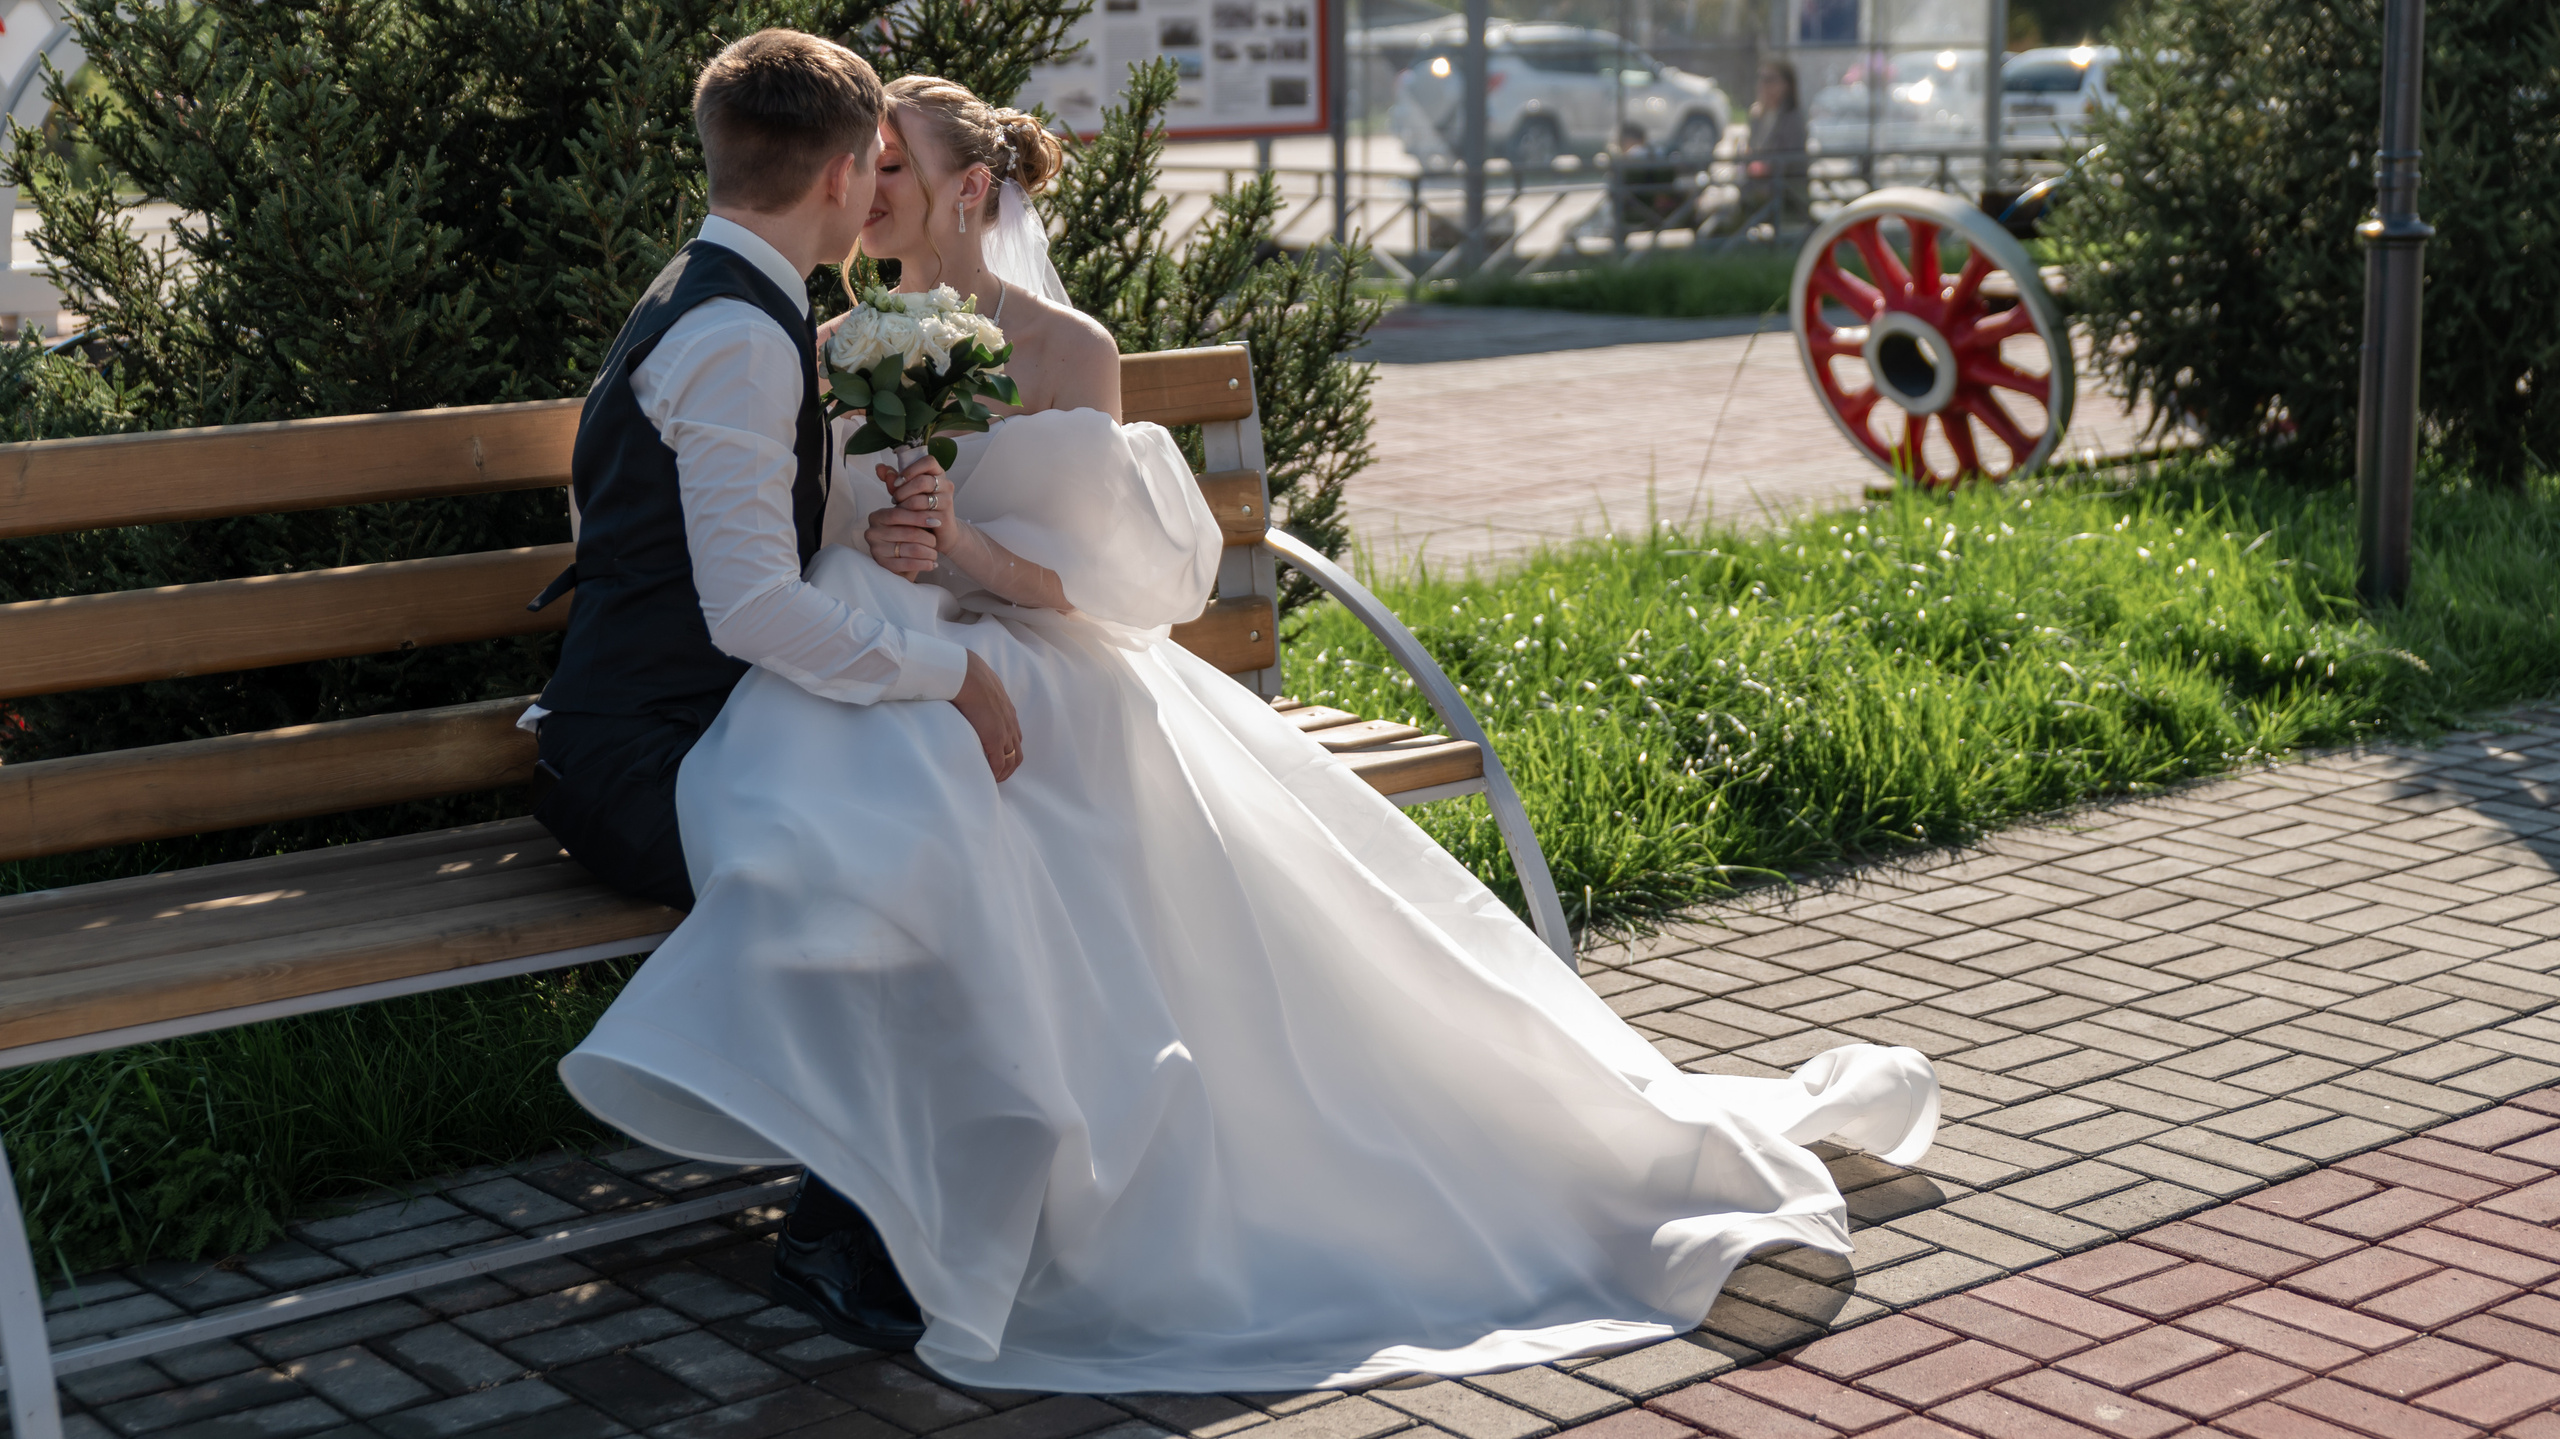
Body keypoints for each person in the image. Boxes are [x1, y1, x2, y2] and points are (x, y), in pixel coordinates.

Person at [551, 63, 1943, 1392]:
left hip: (1040, 653)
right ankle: (946, 1180)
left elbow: (1111, 589)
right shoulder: (823, 332)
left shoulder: (1060, 350)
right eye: (877, 167)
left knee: (1021, 793)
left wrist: (961, 553)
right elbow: (801, 542)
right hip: (898, 653)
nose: (880, 193)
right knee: (942, 808)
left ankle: (992, 1178)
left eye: (905, 167)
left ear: (971, 188)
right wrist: (897, 542)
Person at [522, 29, 973, 1351]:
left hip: (694, 725)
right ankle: (843, 1229)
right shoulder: (740, 330)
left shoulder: (718, 290)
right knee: (907, 854)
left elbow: (677, 534)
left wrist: (863, 517)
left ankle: (896, 1195)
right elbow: (752, 610)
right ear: (843, 174)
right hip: (637, 765)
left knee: (945, 818)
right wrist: (954, 676)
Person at [1703, 59, 1809, 239]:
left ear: (1786, 85)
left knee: (1733, 208)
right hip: (1754, 182)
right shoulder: (1758, 115)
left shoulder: (1793, 118)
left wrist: (1767, 168)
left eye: (1770, 79)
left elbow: (1792, 159)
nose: (1763, 85)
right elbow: (1751, 151)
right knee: (1717, 196)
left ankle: (1723, 236)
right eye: (1761, 78)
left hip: (1783, 187)